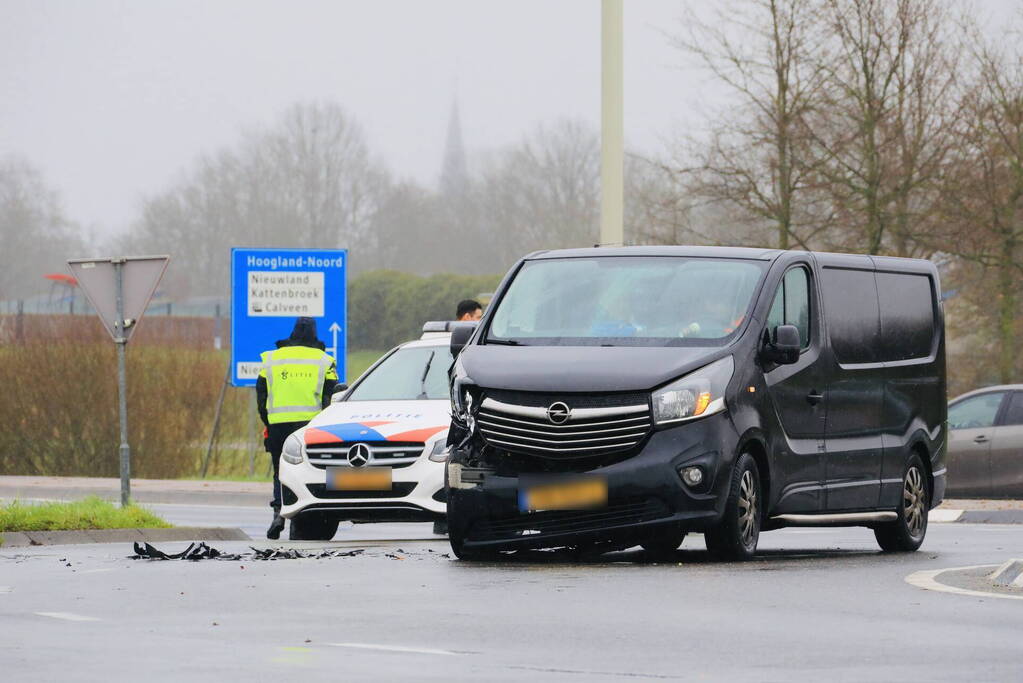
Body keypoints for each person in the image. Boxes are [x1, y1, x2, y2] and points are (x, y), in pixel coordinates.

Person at [256, 317, 338, 539]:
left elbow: (261, 396)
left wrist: (268, 422)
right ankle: (301, 516)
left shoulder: (272, 359)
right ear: (314, 333)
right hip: (309, 427)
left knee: (280, 471)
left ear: (293, 332)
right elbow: (331, 397)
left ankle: (278, 514)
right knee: (307, 470)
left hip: (278, 425)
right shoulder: (324, 361)